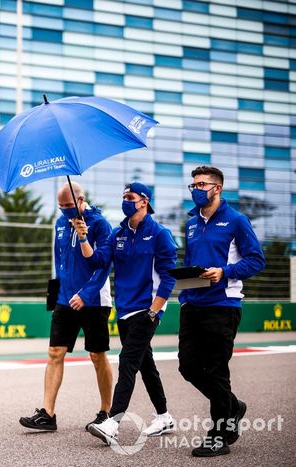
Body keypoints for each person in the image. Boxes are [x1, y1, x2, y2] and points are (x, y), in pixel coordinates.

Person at [77, 182, 178, 445]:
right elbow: (97, 261)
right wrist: (84, 238)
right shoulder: (117, 233)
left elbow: (168, 278)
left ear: (144, 201)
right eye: (123, 196)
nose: (125, 201)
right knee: (146, 365)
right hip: (124, 310)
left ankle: (112, 422)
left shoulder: (160, 234)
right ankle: (164, 416)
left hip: (147, 310)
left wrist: (155, 310)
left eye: (130, 197)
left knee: (128, 362)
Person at [178, 166, 265, 457]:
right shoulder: (191, 222)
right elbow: (191, 260)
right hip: (193, 305)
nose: (195, 189)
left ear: (217, 188)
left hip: (223, 306)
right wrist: (185, 294)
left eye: (201, 184)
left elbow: (256, 260)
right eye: (193, 185)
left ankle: (218, 435)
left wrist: (225, 272)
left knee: (216, 370)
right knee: (188, 367)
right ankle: (233, 406)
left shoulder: (237, 221)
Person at [19, 181, 114, 432]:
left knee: (97, 355)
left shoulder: (101, 224)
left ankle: (106, 412)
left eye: (69, 206)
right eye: (61, 207)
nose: (65, 211)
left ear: (81, 200)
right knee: (54, 353)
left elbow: (103, 265)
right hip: (65, 299)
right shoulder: (60, 222)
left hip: (94, 300)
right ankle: (48, 414)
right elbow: (59, 261)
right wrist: (57, 291)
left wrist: (86, 293)